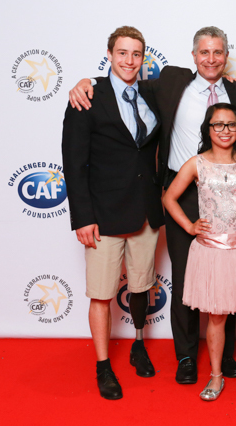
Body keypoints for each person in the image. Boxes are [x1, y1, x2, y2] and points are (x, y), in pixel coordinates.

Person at [68, 27, 236, 384]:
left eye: (217, 53)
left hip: (229, 192)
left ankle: (225, 353)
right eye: (204, 52)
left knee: (226, 274)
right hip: (181, 191)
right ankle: (186, 356)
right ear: (193, 56)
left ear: (226, 56)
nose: (210, 59)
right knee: (184, 277)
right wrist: (83, 82)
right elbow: (118, 88)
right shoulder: (170, 81)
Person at [62, 26, 163, 400]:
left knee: (141, 285)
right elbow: (74, 164)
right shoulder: (88, 96)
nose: (129, 61)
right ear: (109, 54)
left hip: (146, 212)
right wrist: (82, 217)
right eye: (122, 53)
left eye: (136, 54)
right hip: (103, 215)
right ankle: (103, 366)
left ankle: (138, 344)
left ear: (143, 58)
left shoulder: (151, 93)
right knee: (102, 294)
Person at [163, 103, 236, 402]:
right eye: (218, 125)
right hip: (212, 249)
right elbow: (169, 198)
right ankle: (216, 376)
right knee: (216, 316)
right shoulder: (196, 163)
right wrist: (189, 226)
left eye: (231, 125)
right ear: (208, 129)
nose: (224, 131)